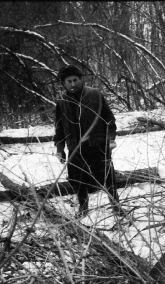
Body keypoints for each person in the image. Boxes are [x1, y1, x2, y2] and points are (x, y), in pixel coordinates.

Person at [54, 64, 123, 217]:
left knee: (107, 177)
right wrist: (59, 149)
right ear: (64, 84)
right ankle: (83, 208)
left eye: (75, 80)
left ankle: (116, 207)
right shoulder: (61, 102)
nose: (73, 84)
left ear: (81, 80)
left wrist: (111, 139)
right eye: (69, 82)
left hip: (97, 145)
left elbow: (109, 119)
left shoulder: (95, 95)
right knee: (77, 179)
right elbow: (59, 128)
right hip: (75, 147)